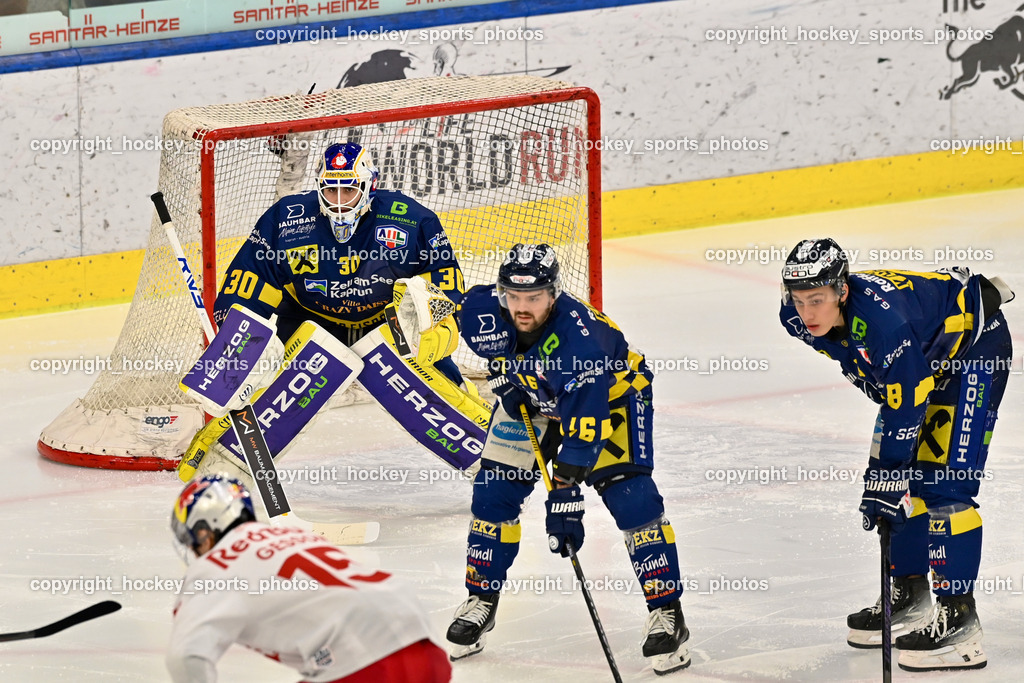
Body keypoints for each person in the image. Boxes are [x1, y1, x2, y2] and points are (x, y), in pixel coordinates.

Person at [444, 244, 690, 674]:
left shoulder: (581, 344)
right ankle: (481, 598)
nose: (522, 307)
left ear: (553, 295)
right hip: (540, 400)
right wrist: (510, 379)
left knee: (632, 499)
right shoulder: (482, 310)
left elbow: (584, 431)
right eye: (514, 296)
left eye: (534, 297)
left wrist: (565, 495)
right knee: (492, 494)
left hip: (609, 400)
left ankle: (668, 613)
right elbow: (441, 307)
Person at [779, 238, 1012, 672]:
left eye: (818, 300)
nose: (807, 313)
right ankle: (910, 595)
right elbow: (852, 355)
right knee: (905, 480)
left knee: (944, 483)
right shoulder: (794, 318)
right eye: (799, 299)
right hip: (924, 358)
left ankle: (960, 622)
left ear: (841, 291)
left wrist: (884, 474)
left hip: (972, 354)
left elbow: (904, 401)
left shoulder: (883, 324)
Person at [167, 474, 452, 683]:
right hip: (425, 644)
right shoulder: (291, 535)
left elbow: (186, 657)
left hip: (365, 662)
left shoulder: (214, 568)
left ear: (205, 532)